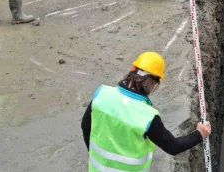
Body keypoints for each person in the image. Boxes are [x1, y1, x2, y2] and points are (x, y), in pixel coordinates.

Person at [81, 52, 212, 171]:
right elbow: (173, 146)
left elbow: (85, 126)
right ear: (152, 82)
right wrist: (200, 134)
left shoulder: (102, 94)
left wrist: (96, 156)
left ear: (133, 70)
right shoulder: (147, 117)